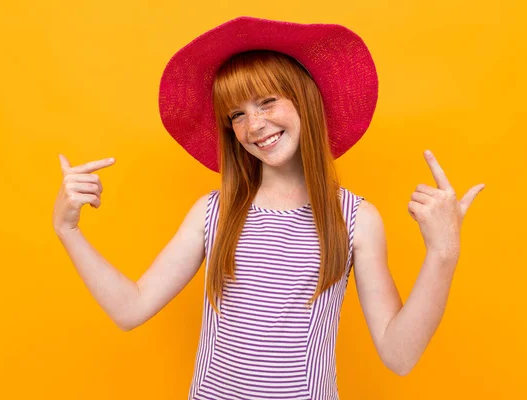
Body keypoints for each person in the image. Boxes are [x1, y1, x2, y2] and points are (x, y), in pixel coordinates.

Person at [52, 16, 485, 400]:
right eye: (236, 114)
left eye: (267, 101)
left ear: (305, 100)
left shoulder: (355, 219)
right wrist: (69, 230)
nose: (254, 125)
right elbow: (130, 309)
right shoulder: (214, 212)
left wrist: (443, 253)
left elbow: (399, 355)